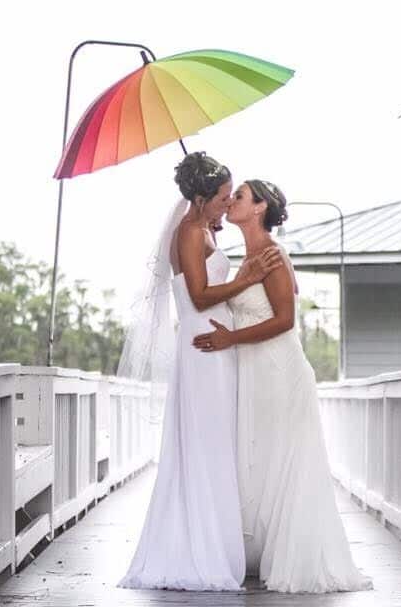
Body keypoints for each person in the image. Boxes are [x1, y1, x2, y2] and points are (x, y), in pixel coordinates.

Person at [193, 180, 372, 593]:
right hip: (255, 372)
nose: (232, 200)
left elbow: (284, 319)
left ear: (259, 208)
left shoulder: (273, 254)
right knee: (260, 459)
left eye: (239, 196)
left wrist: (230, 339)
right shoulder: (249, 257)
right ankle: (261, 551)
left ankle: (294, 555)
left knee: (281, 458)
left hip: (278, 370)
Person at [118, 154, 280, 591]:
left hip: (215, 348)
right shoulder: (189, 232)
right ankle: (199, 549)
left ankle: (213, 542)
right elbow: (200, 295)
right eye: (223, 198)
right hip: (202, 347)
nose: (227, 205)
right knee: (205, 443)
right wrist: (247, 276)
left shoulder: (205, 229)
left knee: (215, 444)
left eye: (231, 197)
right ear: (199, 197)